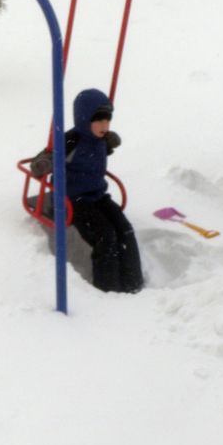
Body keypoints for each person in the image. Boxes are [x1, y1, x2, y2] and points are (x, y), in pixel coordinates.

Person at [29, 88, 144, 294]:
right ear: (84, 119)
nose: (104, 126)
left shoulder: (102, 139)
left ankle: (133, 283)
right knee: (105, 236)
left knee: (125, 229)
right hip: (72, 200)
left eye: (107, 120)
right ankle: (109, 289)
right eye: (98, 120)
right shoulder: (71, 140)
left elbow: (106, 145)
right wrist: (44, 163)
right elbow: (42, 158)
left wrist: (111, 142)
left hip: (98, 196)